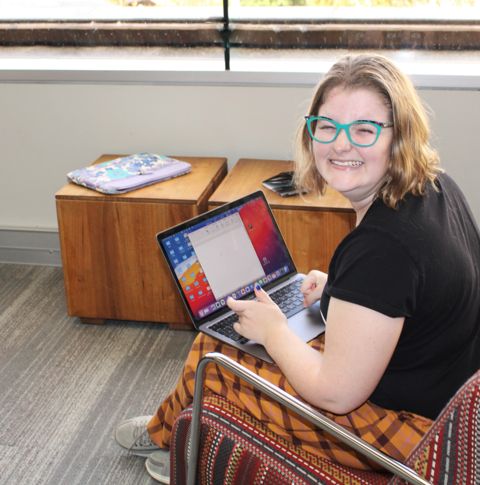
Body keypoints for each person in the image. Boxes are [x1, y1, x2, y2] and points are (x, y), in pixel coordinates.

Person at [115, 53, 480, 483]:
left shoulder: (382, 248)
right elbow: (406, 295)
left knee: (215, 355)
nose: (341, 144)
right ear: (311, 132)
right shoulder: (435, 186)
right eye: (327, 127)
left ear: (398, 137)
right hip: (447, 400)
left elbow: (336, 393)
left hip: (418, 437)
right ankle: (179, 430)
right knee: (248, 335)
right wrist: (339, 294)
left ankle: (173, 436)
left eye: (365, 129)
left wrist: (274, 331)